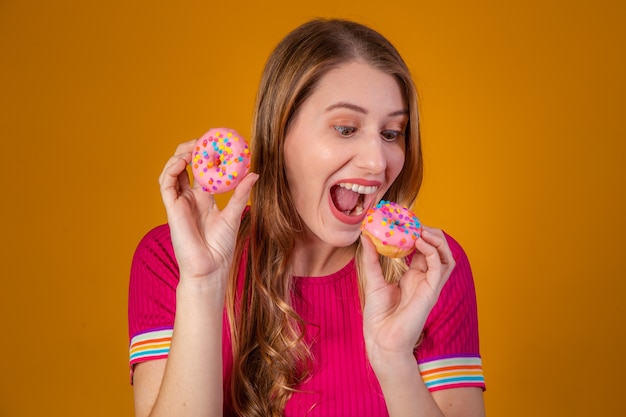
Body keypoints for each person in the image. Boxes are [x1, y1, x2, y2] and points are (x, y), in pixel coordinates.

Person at [128, 18, 486, 417]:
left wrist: (393, 358)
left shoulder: (429, 269)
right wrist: (202, 285)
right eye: (346, 128)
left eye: (391, 133)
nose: (377, 162)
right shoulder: (171, 257)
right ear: (279, 134)